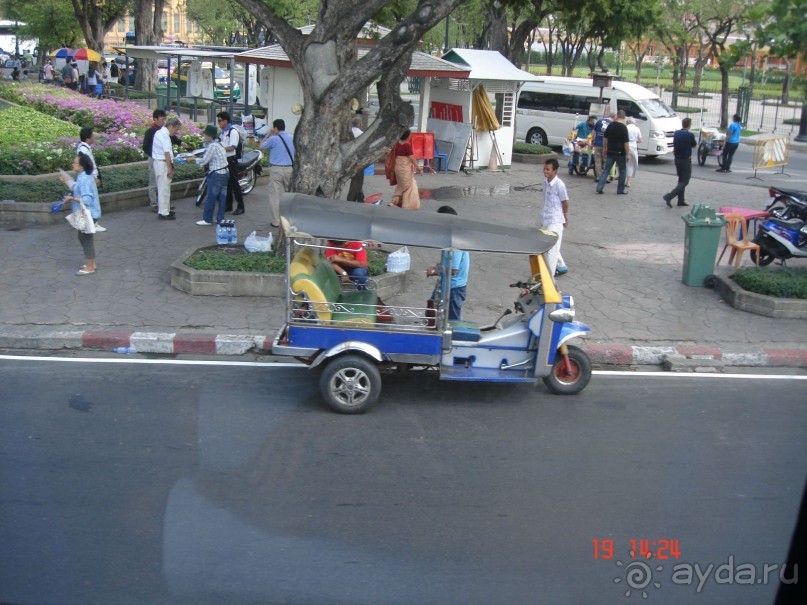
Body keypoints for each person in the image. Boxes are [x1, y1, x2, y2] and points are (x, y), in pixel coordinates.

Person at [426, 206, 470, 321]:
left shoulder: (456, 242)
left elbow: (453, 271)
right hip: (445, 284)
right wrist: (436, 267)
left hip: (454, 289)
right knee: (431, 313)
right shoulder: (449, 238)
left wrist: (435, 271)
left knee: (451, 321)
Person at [60, 154, 101, 276]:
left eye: (75, 163)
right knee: (85, 238)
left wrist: (71, 198)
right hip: (91, 213)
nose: (73, 165)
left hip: (88, 214)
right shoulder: (85, 176)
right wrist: (67, 181)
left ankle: (90, 267)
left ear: (82, 166)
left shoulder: (83, 178)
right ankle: (91, 263)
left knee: (85, 238)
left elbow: (86, 199)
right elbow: (77, 188)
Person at [142, 109, 182, 213]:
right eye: (162, 119)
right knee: (154, 182)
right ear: (155, 119)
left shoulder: (164, 131)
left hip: (162, 159)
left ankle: (164, 205)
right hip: (156, 159)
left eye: (165, 119)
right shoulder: (150, 132)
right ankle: (154, 204)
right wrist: (155, 155)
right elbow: (145, 147)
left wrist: (180, 142)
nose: (164, 121)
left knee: (163, 184)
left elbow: (173, 138)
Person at [191, 125, 230, 226]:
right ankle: (220, 218)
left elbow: (204, 161)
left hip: (216, 174)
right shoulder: (218, 143)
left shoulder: (212, 146)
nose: (203, 136)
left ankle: (207, 219)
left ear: (209, 136)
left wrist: (193, 159)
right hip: (225, 173)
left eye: (205, 134)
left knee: (211, 197)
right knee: (222, 198)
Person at [260, 118, 295, 227]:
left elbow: (261, 147)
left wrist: (267, 135)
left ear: (275, 128)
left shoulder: (273, 139)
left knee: (274, 196)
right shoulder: (292, 138)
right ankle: (290, 219)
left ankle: (276, 221)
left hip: (276, 170)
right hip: (290, 169)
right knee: (289, 195)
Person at [540, 159, 569, 278]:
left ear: (555, 171)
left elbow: (565, 202)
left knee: (551, 249)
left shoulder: (559, 184)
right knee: (547, 245)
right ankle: (561, 266)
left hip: (555, 220)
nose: (545, 171)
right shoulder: (545, 182)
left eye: (548, 169)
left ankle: (549, 278)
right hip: (546, 218)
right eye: (545, 169)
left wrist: (565, 217)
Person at [663, 117, 697, 208]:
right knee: (685, 181)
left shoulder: (677, 133)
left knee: (681, 179)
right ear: (689, 125)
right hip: (686, 159)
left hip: (677, 159)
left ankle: (681, 200)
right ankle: (669, 196)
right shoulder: (690, 135)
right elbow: (694, 145)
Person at [152, 117, 182, 220]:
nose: (176, 131)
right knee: (163, 189)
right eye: (176, 129)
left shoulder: (161, 133)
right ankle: (164, 212)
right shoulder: (164, 136)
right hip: (162, 164)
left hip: (160, 163)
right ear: (170, 126)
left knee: (164, 188)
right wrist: (170, 169)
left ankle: (165, 210)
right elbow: (167, 154)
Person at [217, 111, 245, 215]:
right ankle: (228, 205)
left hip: (231, 160)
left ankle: (241, 207)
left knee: (234, 184)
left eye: (220, 121)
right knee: (227, 184)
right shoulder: (223, 132)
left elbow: (232, 147)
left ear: (225, 121)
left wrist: (220, 149)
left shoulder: (233, 132)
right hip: (224, 160)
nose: (218, 123)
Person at [596, 110, 629, 195]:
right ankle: (620, 190)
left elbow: (605, 138)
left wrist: (604, 148)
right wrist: (628, 154)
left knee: (606, 169)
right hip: (621, 152)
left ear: (617, 116)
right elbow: (626, 142)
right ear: (624, 117)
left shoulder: (611, 125)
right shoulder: (624, 127)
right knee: (622, 171)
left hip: (610, 151)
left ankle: (599, 187)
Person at [389, 130, 421, 210]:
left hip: (397, 168)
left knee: (401, 185)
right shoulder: (407, 146)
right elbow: (412, 159)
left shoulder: (396, 144)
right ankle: (408, 205)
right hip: (405, 169)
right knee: (408, 187)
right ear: (407, 136)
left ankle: (394, 201)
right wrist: (419, 167)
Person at [346, 118, 366, 203]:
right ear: (359, 124)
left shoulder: (348, 133)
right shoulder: (361, 134)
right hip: (358, 160)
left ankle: (361, 196)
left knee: (357, 181)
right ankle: (352, 198)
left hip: (347, 159)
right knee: (357, 180)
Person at [592, 113, 612, 178]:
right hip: (606, 145)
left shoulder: (599, 121)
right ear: (613, 117)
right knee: (605, 161)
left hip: (597, 144)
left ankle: (598, 176)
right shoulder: (611, 124)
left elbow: (593, 132)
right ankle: (605, 177)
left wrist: (592, 140)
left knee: (598, 161)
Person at [625, 116, 643, 188]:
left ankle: (621, 178)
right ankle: (628, 182)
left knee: (625, 163)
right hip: (634, 147)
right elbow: (640, 140)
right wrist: (635, 141)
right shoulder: (637, 129)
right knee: (631, 164)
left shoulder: (626, 128)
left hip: (626, 146)